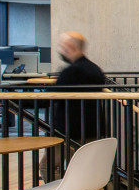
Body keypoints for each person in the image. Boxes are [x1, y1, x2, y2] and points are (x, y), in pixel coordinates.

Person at [41, 31, 108, 180]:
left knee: (48, 166)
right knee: (92, 170)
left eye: (62, 46)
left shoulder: (72, 72)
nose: (61, 49)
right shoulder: (94, 69)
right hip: (92, 128)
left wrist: (19, 99)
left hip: (70, 132)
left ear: (70, 46)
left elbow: (49, 97)